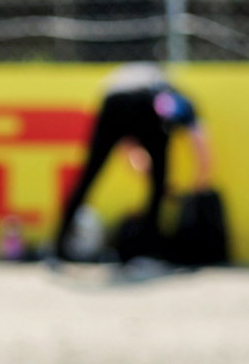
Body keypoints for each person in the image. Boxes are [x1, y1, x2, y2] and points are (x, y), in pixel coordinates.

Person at [51, 64, 214, 263]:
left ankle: (58, 246)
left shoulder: (130, 83)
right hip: (145, 103)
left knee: (87, 178)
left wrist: (147, 170)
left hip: (112, 100)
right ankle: (148, 251)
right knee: (158, 185)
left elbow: (128, 146)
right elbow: (201, 145)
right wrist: (200, 182)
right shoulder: (178, 99)